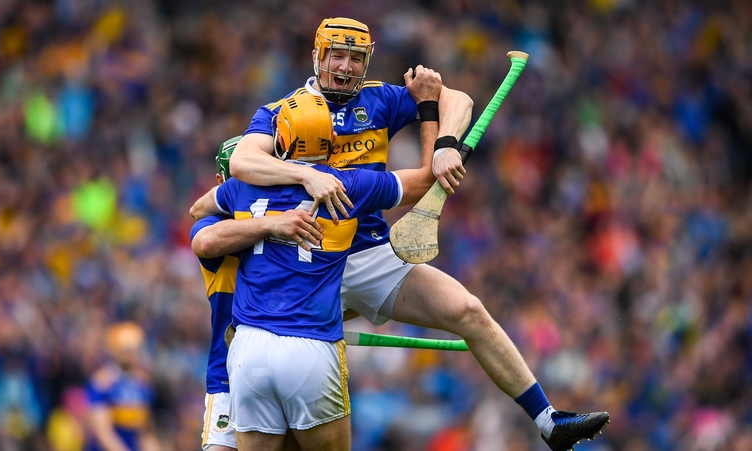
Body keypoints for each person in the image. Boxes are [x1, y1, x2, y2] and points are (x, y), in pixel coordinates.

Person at [226, 17, 610, 451]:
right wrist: (309, 176)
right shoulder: (281, 113)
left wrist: (445, 142)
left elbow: (459, 100)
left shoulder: (379, 100)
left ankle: (548, 420)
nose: (347, 67)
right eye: (338, 55)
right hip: (302, 266)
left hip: (367, 253)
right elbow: (243, 160)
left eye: (356, 57)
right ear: (317, 57)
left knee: (468, 310)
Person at [213, 90, 434, 451]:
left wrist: (265, 221)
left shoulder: (242, 185)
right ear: (331, 140)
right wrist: (429, 117)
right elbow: (425, 181)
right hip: (310, 346)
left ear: (279, 138)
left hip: (248, 346)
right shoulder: (348, 185)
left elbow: (201, 212)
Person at [190, 136, 321, 451]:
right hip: (228, 379)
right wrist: (271, 224)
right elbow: (205, 242)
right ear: (222, 184)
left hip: (291, 373)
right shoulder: (212, 223)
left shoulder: (297, 223)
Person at [86, 322, 160, 451]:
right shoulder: (103, 382)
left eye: (135, 348)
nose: (131, 354)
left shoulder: (143, 383)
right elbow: (103, 432)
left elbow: (146, 432)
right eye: (126, 349)